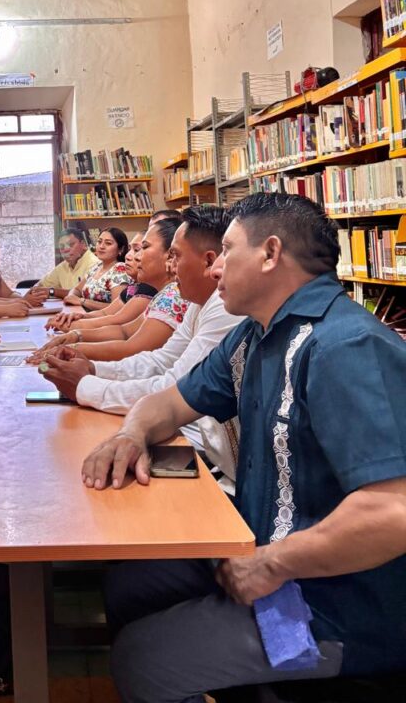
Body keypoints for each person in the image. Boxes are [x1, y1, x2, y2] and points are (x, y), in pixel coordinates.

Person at [81, 193, 406, 702]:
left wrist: (273, 564)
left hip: (334, 603)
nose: (215, 268)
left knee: (144, 660)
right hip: (256, 546)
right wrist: (131, 434)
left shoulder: (344, 347)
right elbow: (169, 402)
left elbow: (393, 511)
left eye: (228, 251)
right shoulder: (255, 336)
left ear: (270, 253)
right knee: (130, 587)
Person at [41, 206, 241, 481]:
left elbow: (171, 385)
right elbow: (160, 360)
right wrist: (93, 369)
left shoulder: (222, 306)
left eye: (175, 255)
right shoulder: (199, 301)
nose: (170, 266)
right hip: (206, 446)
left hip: (218, 462)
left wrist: (86, 384)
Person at [44, 216, 184, 340]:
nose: (132, 256)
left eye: (141, 248)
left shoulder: (166, 295)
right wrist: (78, 320)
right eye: (99, 242)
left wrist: (76, 332)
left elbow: (122, 329)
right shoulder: (138, 286)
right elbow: (115, 321)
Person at [63, 227, 132, 311]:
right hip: (83, 314)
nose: (101, 246)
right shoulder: (96, 267)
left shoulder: (120, 269)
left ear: (121, 249)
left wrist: (82, 301)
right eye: (99, 242)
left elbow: (116, 308)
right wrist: (71, 296)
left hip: (103, 318)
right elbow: (77, 289)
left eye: (108, 243)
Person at [33, 227, 98, 299]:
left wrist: (52, 291)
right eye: (62, 247)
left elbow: (82, 293)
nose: (66, 250)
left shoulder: (95, 264)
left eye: (71, 244)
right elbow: (41, 285)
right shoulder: (63, 266)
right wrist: (36, 289)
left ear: (83, 244)